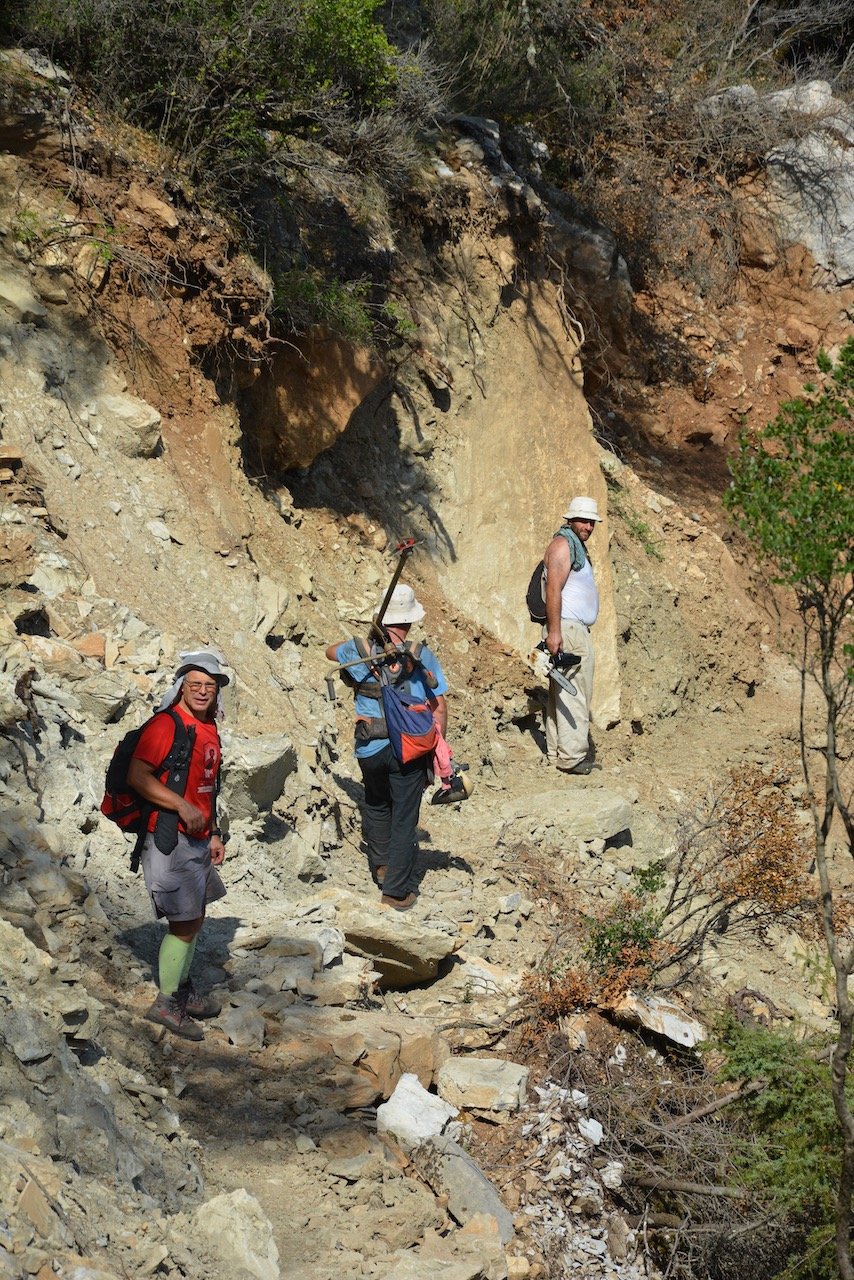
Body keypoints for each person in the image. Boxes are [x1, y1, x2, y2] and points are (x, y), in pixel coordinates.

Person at [127, 648, 229, 1040]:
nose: (203, 692)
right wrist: (181, 806)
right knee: (184, 922)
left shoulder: (208, 727)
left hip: (199, 838)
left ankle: (182, 992)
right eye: (195, 685)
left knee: (195, 917)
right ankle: (167, 1003)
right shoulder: (166, 725)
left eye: (210, 686)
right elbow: (139, 776)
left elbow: (208, 786)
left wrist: (215, 830)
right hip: (170, 836)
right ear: (181, 687)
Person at [326, 584, 448, 911]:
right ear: (408, 622)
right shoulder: (421, 656)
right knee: (404, 817)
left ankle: (381, 867)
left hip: (369, 747)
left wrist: (366, 639)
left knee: (378, 803)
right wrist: (438, 754)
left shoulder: (359, 651)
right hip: (408, 746)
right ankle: (395, 892)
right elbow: (438, 706)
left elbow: (330, 652)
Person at [543, 496, 602, 775]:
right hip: (568, 629)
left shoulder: (573, 546)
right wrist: (555, 631)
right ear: (571, 519)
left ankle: (558, 752)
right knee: (574, 691)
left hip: (570, 628)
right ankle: (573, 757)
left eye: (591, 522)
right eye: (583, 520)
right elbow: (553, 589)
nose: (588, 526)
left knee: (563, 691)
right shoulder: (563, 545)